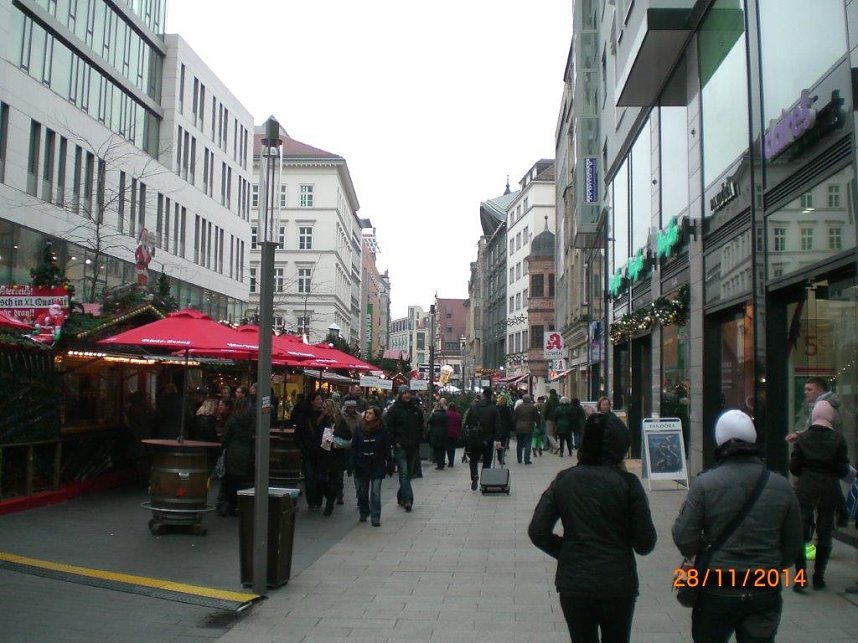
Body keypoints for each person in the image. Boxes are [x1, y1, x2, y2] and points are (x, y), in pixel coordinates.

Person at [672, 410, 803, 643]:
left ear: (719, 440)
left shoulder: (704, 483)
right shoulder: (781, 486)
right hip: (764, 585)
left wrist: (703, 546)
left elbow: (684, 538)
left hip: (716, 586)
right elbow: (793, 546)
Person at [529, 408, 657, 643]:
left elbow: (537, 531)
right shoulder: (628, 484)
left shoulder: (565, 479)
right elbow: (645, 543)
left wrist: (568, 551)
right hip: (617, 582)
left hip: (574, 582)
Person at [789, 400, 850, 591]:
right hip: (829, 489)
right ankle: (819, 577)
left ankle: (800, 578)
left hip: (806, 488)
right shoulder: (838, 439)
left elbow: (795, 467)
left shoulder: (803, 438)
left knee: (800, 534)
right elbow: (842, 469)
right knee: (825, 534)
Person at [385, 384, 424, 512]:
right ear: (400, 395)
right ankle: (408, 500)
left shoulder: (415, 408)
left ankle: (401, 495)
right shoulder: (394, 409)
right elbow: (389, 427)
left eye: (408, 393)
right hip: (400, 446)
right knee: (404, 473)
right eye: (404, 393)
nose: (407, 395)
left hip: (413, 445)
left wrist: (419, 439)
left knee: (409, 474)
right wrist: (394, 441)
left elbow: (420, 425)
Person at [352, 406, 394, 526]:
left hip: (377, 463)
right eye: (366, 413)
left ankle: (375, 517)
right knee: (362, 492)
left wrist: (389, 462)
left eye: (370, 413)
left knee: (375, 492)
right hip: (362, 463)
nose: (367, 415)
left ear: (376, 415)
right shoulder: (359, 429)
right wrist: (352, 463)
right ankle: (364, 511)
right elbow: (354, 447)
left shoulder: (382, 429)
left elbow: (386, 447)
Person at [217, 397, 255, 516]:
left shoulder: (232, 419)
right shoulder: (252, 420)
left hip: (233, 451)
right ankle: (239, 504)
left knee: (230, 479)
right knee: (241, 480)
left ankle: (230, 505)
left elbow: (226, 437)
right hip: (246, 451)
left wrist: (221, 449)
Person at [468, 387, 500, 491]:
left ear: (483, 395)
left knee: (473, 459)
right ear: (491, 396)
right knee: (487, 460)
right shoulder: (494, 408)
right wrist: (498, 439)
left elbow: (468, 421)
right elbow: (497, 425)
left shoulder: (475, 407)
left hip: (475, 437)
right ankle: (484, 480)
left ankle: (474, 475)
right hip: (488, 439)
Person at [513, 394, 539, 464]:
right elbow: (537, 418)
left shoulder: (518, 407)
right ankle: (526, 459)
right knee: (528, 443)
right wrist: (538, 426)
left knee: (519, 444)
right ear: (529, 400)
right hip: (529, 427)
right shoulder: (533, 408)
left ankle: (519, 459)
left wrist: (513, 427)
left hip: (519, 427)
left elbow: (514, 418)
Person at [428, 398, 449, 470]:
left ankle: (439, 464)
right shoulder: (446, 414)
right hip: (444, 433)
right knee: (442, 449)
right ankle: (442, 463)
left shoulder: (435, 414)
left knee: (437, 449)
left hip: (435, 433)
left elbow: (429, 421)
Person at [495, 395, 513, 466]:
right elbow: (510, 419)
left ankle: (499, 456)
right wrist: (512, 428)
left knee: (498, 443)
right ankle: (502, 457)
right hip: (505, 429)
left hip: (498, 428)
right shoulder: (507, 409)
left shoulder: (496, 408)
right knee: (503, 443)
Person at [445, 401, 462, 468]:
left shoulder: (446, 414)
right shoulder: (457, 415)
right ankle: (452, 461)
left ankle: (450, 461)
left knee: (448, 448)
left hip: (447, 433)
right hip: (455, 433)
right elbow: (460, 424)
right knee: (453, 448)